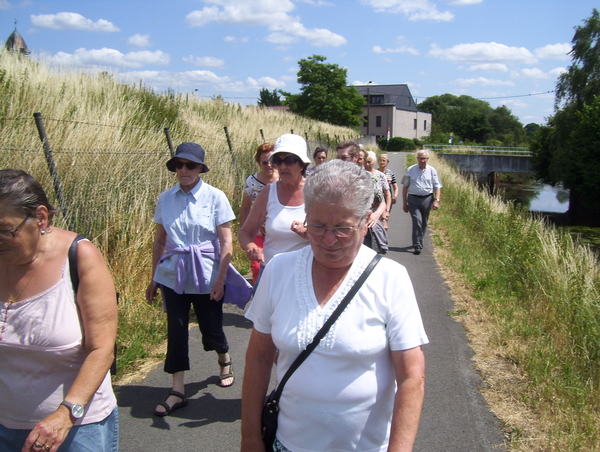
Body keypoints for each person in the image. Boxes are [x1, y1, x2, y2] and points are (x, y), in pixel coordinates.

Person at [241, 160, 428, 452]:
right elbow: (259, 358)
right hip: (289, 445)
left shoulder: (391, 279)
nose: (329, 240)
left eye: (343, 228)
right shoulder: (279, 271)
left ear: (366, 221)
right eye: (317, 226)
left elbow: (411, 376)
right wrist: (250, 437)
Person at [0, 169, 119, 451]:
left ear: (41, 218)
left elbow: (102, 349)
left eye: (4, 230)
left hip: (74, 430)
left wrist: (65, 414)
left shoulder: (79, 257)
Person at [146, 142, 251, 417]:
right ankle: (177, 390)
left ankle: (224, 356)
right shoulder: (165, 198)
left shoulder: (215, 197)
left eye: (190, 165)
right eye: (179, 165)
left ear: (201, 169)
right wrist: (153, 278)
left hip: (206, 274)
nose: (184, 170)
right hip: (173, 274)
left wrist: (219, 281)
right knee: (177, 330)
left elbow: (226, 242)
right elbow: (160, 240)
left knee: (211, 328)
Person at [238, 134, 310, 271]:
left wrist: (310, 232)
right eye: (278, 160)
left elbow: (332, 235)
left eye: (289, 160)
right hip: (272, 272)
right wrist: (251, 246)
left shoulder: (316, 192)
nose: (282, 166)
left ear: (302, 164)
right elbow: (245, 232)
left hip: (307, 273)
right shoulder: (268, 192)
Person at [337, 141, 388, 253]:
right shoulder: (332, 179)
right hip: (339, 230)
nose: (340, 161)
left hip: (363, 230)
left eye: (344, 157)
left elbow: (381, 202)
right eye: (338, 157)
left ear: (355, 157)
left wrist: (376, 215)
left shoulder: (369, 178)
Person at [239, 143, 279, 284]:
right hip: (258, 233)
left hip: (278, 232)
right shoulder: (252, 181)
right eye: (264, 162)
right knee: (257, 266)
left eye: (272, 161)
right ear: (258, 163)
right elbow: (245, 208)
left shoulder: (283, 180)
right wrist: (244, 233)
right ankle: (259, 295)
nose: (269, 165)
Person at [401, 149, 442, 255]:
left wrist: (436, 200)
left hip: (427, 199)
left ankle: (419, 239)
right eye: (420, 158)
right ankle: (417, 245)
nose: (422, 160)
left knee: (424, 222)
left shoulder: (432, 170)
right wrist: (404, 202)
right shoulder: (411, 170)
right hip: (413, 199)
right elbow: (405, 187)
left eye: (424, 158)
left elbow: (437, 187)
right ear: (417, 159)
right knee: (417, 221)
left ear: (427, 159)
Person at [364, 150, 391, 232]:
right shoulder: (359, 174)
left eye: (369, 162)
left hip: (377, 209)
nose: (367, 164)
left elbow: (386, 194)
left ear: (374, 162)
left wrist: (386, 212)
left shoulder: (380, 176)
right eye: (365, 162)